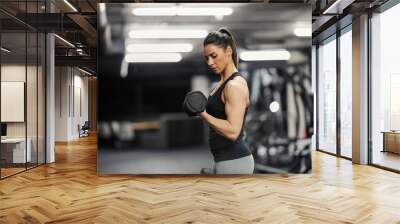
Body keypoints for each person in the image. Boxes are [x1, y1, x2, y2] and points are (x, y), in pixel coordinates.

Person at [199, 27, 254, 174]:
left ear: (228, 52)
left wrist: (202, 114)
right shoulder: (219, 84)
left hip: (235, 161)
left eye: (213, 56)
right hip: (223, 159)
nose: (210, 62)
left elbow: (233, 131)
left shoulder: (234, 85)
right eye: (207, 58)